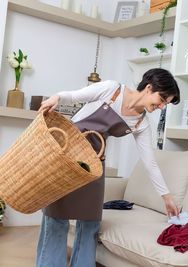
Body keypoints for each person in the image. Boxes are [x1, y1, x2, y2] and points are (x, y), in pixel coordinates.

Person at [36, 68, 180, 267]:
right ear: (149, 88)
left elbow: (150, 162)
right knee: (56, 216)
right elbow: (74, 96)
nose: (162, 106)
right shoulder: (112, 89)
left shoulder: (141, 123)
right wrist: (56, 98)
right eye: (162, 99)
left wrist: (167, 197)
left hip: (94, 163)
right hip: (66, 155)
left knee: (90, 222)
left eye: (166, 103)